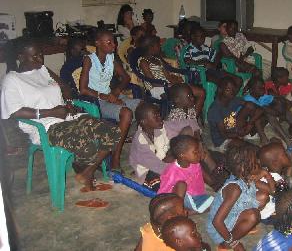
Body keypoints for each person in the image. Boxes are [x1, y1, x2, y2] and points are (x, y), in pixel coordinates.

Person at [0, 38, 120, 193]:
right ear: (21, 57)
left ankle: (87, 171)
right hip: (45, 127)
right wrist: (51, 112)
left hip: (67, 117)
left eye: (41, 54)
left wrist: (69, 102)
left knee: (112, 131)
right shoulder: (12, 79)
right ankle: (83, 169)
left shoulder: (43, 69)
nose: (40, 59)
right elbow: (14, 112)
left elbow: (64, 87)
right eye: (34, 56)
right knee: (85, 142)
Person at [79, 29, 140, 172]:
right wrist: (107, 97)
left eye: (114, 41)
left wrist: (116, 92)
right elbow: (83, 89)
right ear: (97, 43)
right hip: (96, 101)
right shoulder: (89, 60)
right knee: (126, 113)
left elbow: (126, 77)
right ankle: (115, 159)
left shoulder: (112, 58)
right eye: (109, 42)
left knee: (144, 107)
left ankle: (142, 153)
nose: (114, 45)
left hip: (112, 96)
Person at [207, 142, 273, 250]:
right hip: (220, 228)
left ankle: (243, 226)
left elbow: (271, 190)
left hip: (234, 213)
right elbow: (217, 221)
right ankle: (224, 245)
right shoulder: (234, 189)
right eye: (255, 162)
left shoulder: (246, 176)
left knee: (264, 196)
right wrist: (233, 243)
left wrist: (267, 175)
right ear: (243, 168)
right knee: (253, 215)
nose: (259, 162)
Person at [138, 35, 205, 117]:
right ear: (151, 47)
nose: (160, 47)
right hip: (156, 89)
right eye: (158, 45)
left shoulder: (158, 59)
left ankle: (192, 118)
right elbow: (153, 82)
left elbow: (168, 76)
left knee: (199, 92)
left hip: (168, 86)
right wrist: (172, 85)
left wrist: (177, 81)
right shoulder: (143, 62)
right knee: (194, 94)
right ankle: (190, 118)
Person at [245, 77, 292, 157]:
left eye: (263, 87)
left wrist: (281, 107)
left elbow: (279, 101)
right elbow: (261, 113)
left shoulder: (262, 96)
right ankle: (288, 142)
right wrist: (277, 111)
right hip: (252, 128)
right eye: (259, 87)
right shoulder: (248, 100)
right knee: (268, 112)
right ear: (251, 90)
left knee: (280, 108)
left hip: (265, 121)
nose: (262, 89)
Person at [157, 135, 214, 214]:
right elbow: (162, 193)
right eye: (195, 152)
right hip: (181, 199)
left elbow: (205, 177)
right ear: (182, 155)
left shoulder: (195, 164)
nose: (199, 154)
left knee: (215, 204)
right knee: (181, 185)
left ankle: (187, 213)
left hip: (197, 197)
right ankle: (179, 211)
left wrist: (216, 185)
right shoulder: (172, 171)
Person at [207, 77, 270, 148]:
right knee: (252, 149)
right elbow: (224, 134)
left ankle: (263, 138)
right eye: (228, 89)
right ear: (220, 90)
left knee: (250, 106)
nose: (232, 92)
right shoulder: (215, 109)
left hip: (235, 128)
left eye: (233, 89)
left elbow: (259, 109)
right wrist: (240, 133)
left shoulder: (233, 99)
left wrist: (250, 123)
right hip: (223, 140)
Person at [129, 102, 173, 191]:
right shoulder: (141, 142)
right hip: (149, 170)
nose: (160, 118)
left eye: (159, 115)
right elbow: (156, 166)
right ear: (144, 122)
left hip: (163, 162)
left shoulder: (159, 127)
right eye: (155, 117)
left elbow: (182, 127)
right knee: (156, 182)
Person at [258, 142, 292, 222]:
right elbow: (286, 196)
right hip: (269, 215)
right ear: (275, 162)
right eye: (285, 154)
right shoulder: (275, 178)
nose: (288, 155)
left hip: (264, 213)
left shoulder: (268, 175)